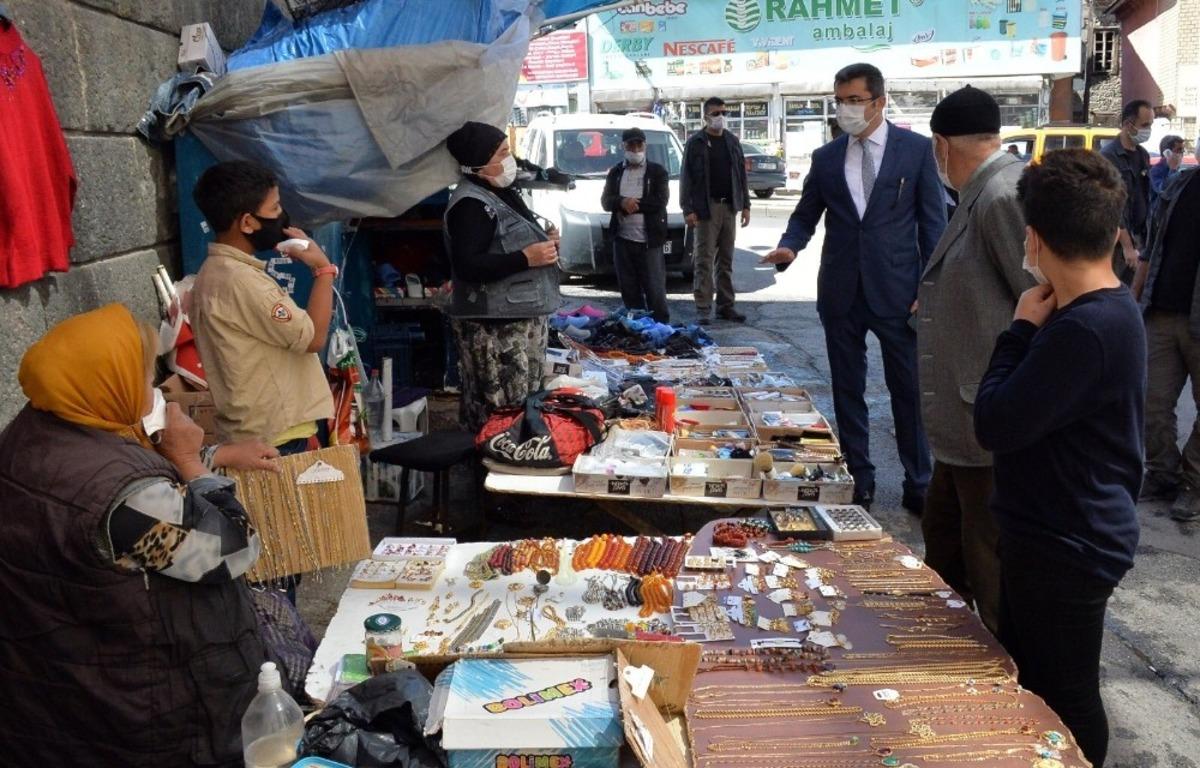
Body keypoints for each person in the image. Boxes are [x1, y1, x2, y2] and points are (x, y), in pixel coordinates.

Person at [0, 304, 281, 766]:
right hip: (141, 712)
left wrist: (216, 455)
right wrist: (191, 463)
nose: (154, 389)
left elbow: (121, 474)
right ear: (106, 383)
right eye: (144, 376)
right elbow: (232, 549)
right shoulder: (120, 498)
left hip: (56, 693)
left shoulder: (31, 434)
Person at [974, 149, 1143, 768]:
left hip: (1068, 542)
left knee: (1065, 697)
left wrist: (1019, 329)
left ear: (1035, 239)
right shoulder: (1094, 310)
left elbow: (995, 422)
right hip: (1054, 531)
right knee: (1034, 684)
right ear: (1113, 232)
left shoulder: (1084, 328)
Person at [762, 62, 946, 512]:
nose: (845, 109)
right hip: (841, 291)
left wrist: (930, 287)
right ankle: (859, 476)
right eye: (840, 101)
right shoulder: (827, 158)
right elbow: (806, 214)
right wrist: (790, 246)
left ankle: (919, 481)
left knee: (908, 390)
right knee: (847, 390)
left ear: (879, 101)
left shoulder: (915, 151)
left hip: (899, 291)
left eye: (854, 100)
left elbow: (933, 224)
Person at [191, 161, 337, 604]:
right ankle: (281, 644)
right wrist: (322, 270)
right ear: (247, 222)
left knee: (277, 562)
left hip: (261, 428)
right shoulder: (242, 281)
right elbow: (312, 337)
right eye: (274, 209)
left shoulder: (219, 273)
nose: (282, 217)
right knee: (278, 567)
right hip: (275, 436)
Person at [917, 86, 1034, 634]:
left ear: (942, 145)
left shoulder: (1002, 195)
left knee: (987, 557)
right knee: (945, 542)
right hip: (964, 418)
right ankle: (951, 646)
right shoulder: (979, 190)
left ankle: (1006, 665)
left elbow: (1037, 297)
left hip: (987, 416)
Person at [442, 121, 560, 432]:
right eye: (502, 153)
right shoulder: (471, 205)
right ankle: (491, 459)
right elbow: (468, 265)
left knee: (523, 408)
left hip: (518, 319)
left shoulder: (499, 192)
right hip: (495, 329)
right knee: (500, 413)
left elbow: (509, 238)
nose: (510, 160)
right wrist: (527, 257)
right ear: (479, 162)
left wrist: (543, 243)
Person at [1132, 139, 1200, 520]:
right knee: (1151, 401)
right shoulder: (1180, 185)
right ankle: (1163, 472)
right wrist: (1133, 298)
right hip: (1161, 313)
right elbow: (1151, 248)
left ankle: (1194, 482)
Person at [680, 96, 751, 325]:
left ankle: (725, 306)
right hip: (705, 208)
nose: (721, 117)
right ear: (706, 117)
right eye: (716, 113)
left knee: (726, 260)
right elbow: (686, 178)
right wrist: (688, 209)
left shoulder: (732, 141)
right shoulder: (696, 143)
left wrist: (746, 205)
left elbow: (741, 175)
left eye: (724, 113)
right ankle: (703, 308)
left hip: (729, 206)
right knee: (704, 260)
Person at [601, 127, 671, 324]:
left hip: (649, 241)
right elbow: (606, 201)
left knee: (655, 291)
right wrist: (621, 202)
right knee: (629, 289)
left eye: (639, 145)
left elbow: (660, 201)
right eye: (631, 145)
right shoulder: (616, 172)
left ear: (645, 146)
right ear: (623, 147)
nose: (635, 149)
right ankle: (636, 328)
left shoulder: (657, 172)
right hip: (623, 240)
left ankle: (661, 328)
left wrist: (634, 205)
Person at [1100, 99, 1154, 283]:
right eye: (1145, 125)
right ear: (1128, 124)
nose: (1148, 130)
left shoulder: (1142, 155)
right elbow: (1111, 206)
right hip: (1118, 244)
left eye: (1150, 125)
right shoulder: (1109, 156)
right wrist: (1127, 246)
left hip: (1140, 237)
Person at [1150, 134, 1185, 209]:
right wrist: (1173, 169)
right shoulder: (1155, 171)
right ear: (1167, 153)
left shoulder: (1179, 169)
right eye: (1179, 150)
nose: (1182, 153)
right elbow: (1165, 191)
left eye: (1183, 150)